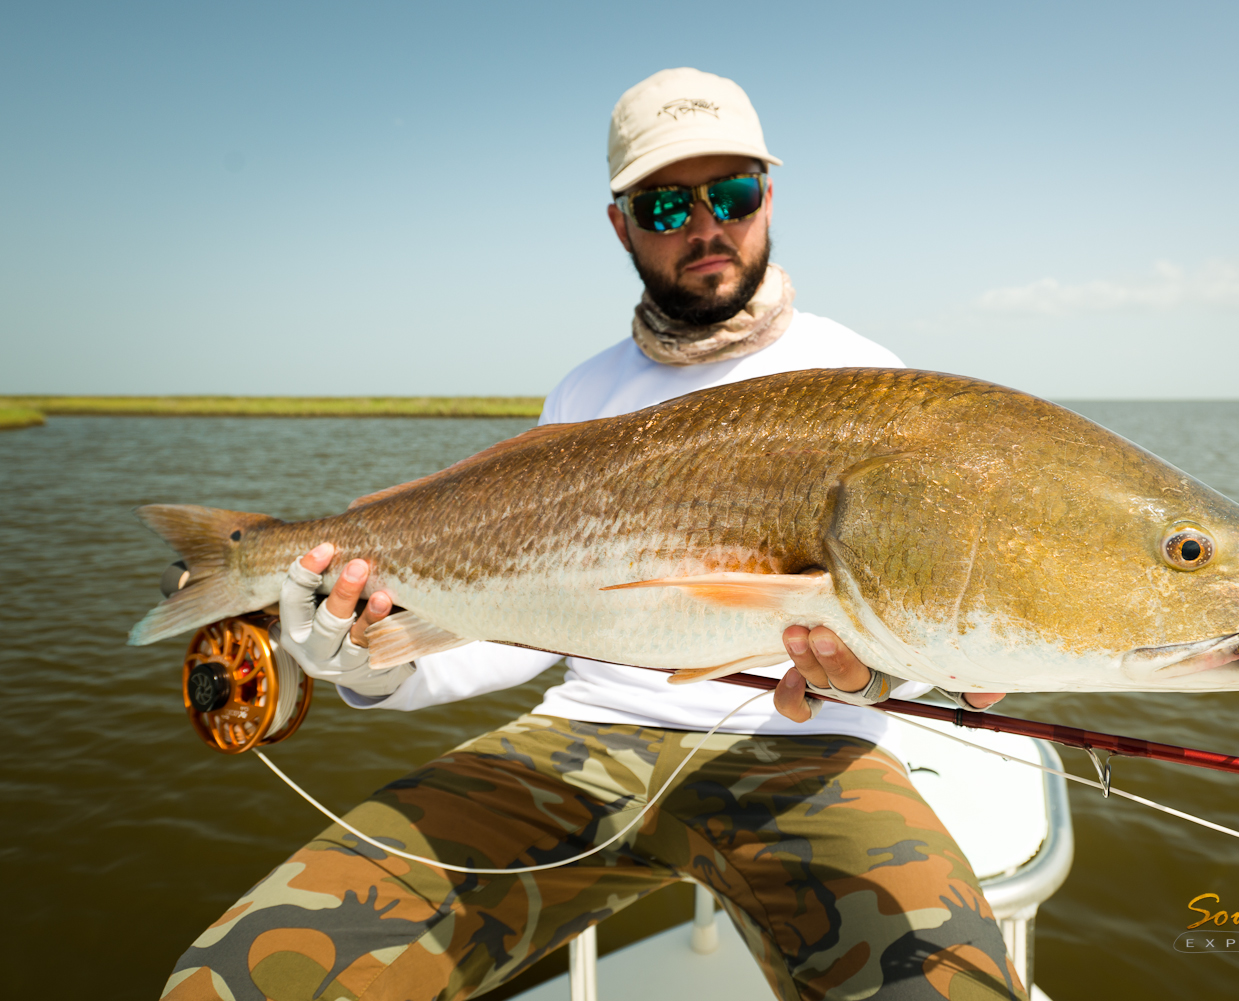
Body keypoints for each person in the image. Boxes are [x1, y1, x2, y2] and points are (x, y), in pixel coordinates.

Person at [163, 68, 1023, 1001]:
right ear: (620, 224)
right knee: (239, 980)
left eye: (731, 192)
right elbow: (513, 624)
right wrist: (375, 662)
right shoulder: (582, 395)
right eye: (663, 205)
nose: (706, 226)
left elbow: (919, 602)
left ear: (768, 197)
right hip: (579, 742)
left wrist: (885, 674)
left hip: (810, 754)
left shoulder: (867, 378)